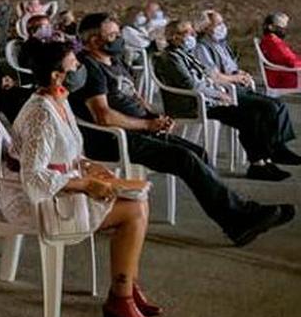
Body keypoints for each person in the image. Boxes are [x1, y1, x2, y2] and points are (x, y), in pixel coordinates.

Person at [69, 13, 294, 246]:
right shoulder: (90, 68)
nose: (118, 39)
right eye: (113, 35)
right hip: (114, 139)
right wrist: (147, 124)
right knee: (185, 158)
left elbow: (133, 96)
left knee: (198, 153)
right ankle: (240, 217)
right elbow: (103, 116)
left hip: (140, 129)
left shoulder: (113, 61)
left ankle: (237, 219)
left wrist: (155, 115)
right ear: (94, 40)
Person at [1, 41, 161, 317]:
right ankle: (121, 297)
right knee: (134, 211)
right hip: (37, 201)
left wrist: (87, 166)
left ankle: (127, 284)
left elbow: (67, 152)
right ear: (56, 75)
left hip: (59, 188)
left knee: (139, 197)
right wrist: (86, 184)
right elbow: (34, 177)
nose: (79, 68)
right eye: (74, 64)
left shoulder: (58, 100)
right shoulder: (41, 114)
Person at [154, 20, 298, 181]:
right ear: (175, 37)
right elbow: (192, 85)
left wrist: (220, 89)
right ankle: (257, 165)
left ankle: (264, 161)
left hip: (208, 99)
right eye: (188, 32)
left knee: (257, 113)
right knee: (251, 116)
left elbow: (206, 76)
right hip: (195, 104)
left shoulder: (184, 53)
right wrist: (218, 94)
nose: (194, 35)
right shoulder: (171, 57)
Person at [259, 12, 301, 90]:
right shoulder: (272, 42)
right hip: (284, 78)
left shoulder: (272, 41)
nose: (284, 30)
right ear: (271, 27)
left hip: (287, 75)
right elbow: (291, 61)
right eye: (281, 27)